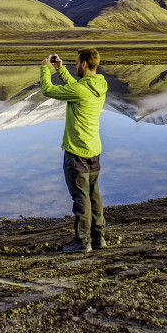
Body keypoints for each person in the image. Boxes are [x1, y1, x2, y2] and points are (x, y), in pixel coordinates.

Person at [40, 47, 109, 253]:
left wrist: (46, 69)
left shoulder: (80, 90)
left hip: (76, 150)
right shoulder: (99, 86)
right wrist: (61, 70)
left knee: (81, 197)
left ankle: (82, 242)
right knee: (93, 195)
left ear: (85, 64)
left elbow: (48, 90)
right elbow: (77, 87)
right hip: (93, 149)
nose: (75, 66)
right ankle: (98, 238)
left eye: (77, 63)